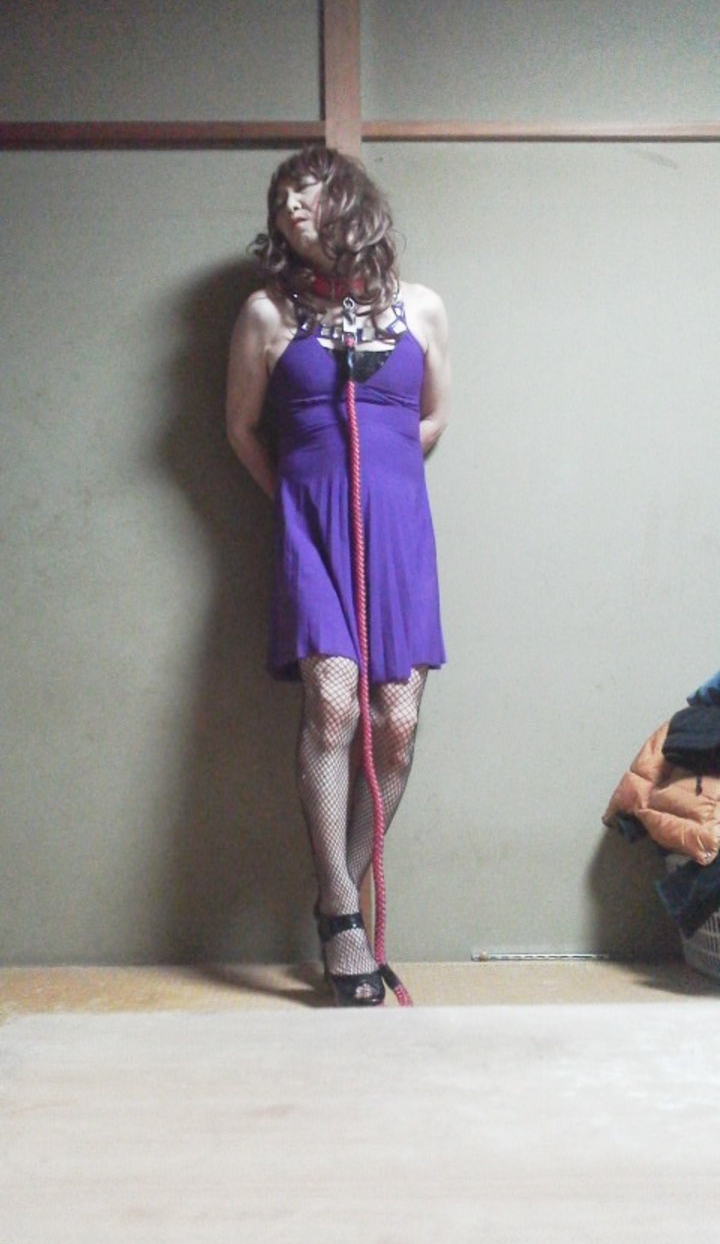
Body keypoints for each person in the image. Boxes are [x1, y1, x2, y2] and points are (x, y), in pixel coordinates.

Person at [226, 146, 450, 1006]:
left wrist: (382, 477)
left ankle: (339, 894)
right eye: (280, 201)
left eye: (305, 191)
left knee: (396, 722)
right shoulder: (266, 313)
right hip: (310, 527)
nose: (291, 208)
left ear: (350, 196)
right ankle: (343, 916)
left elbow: (434, 417)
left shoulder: (420, 306)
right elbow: (242, 428)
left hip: (396, 527)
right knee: (332, 701)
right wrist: (299, 495)